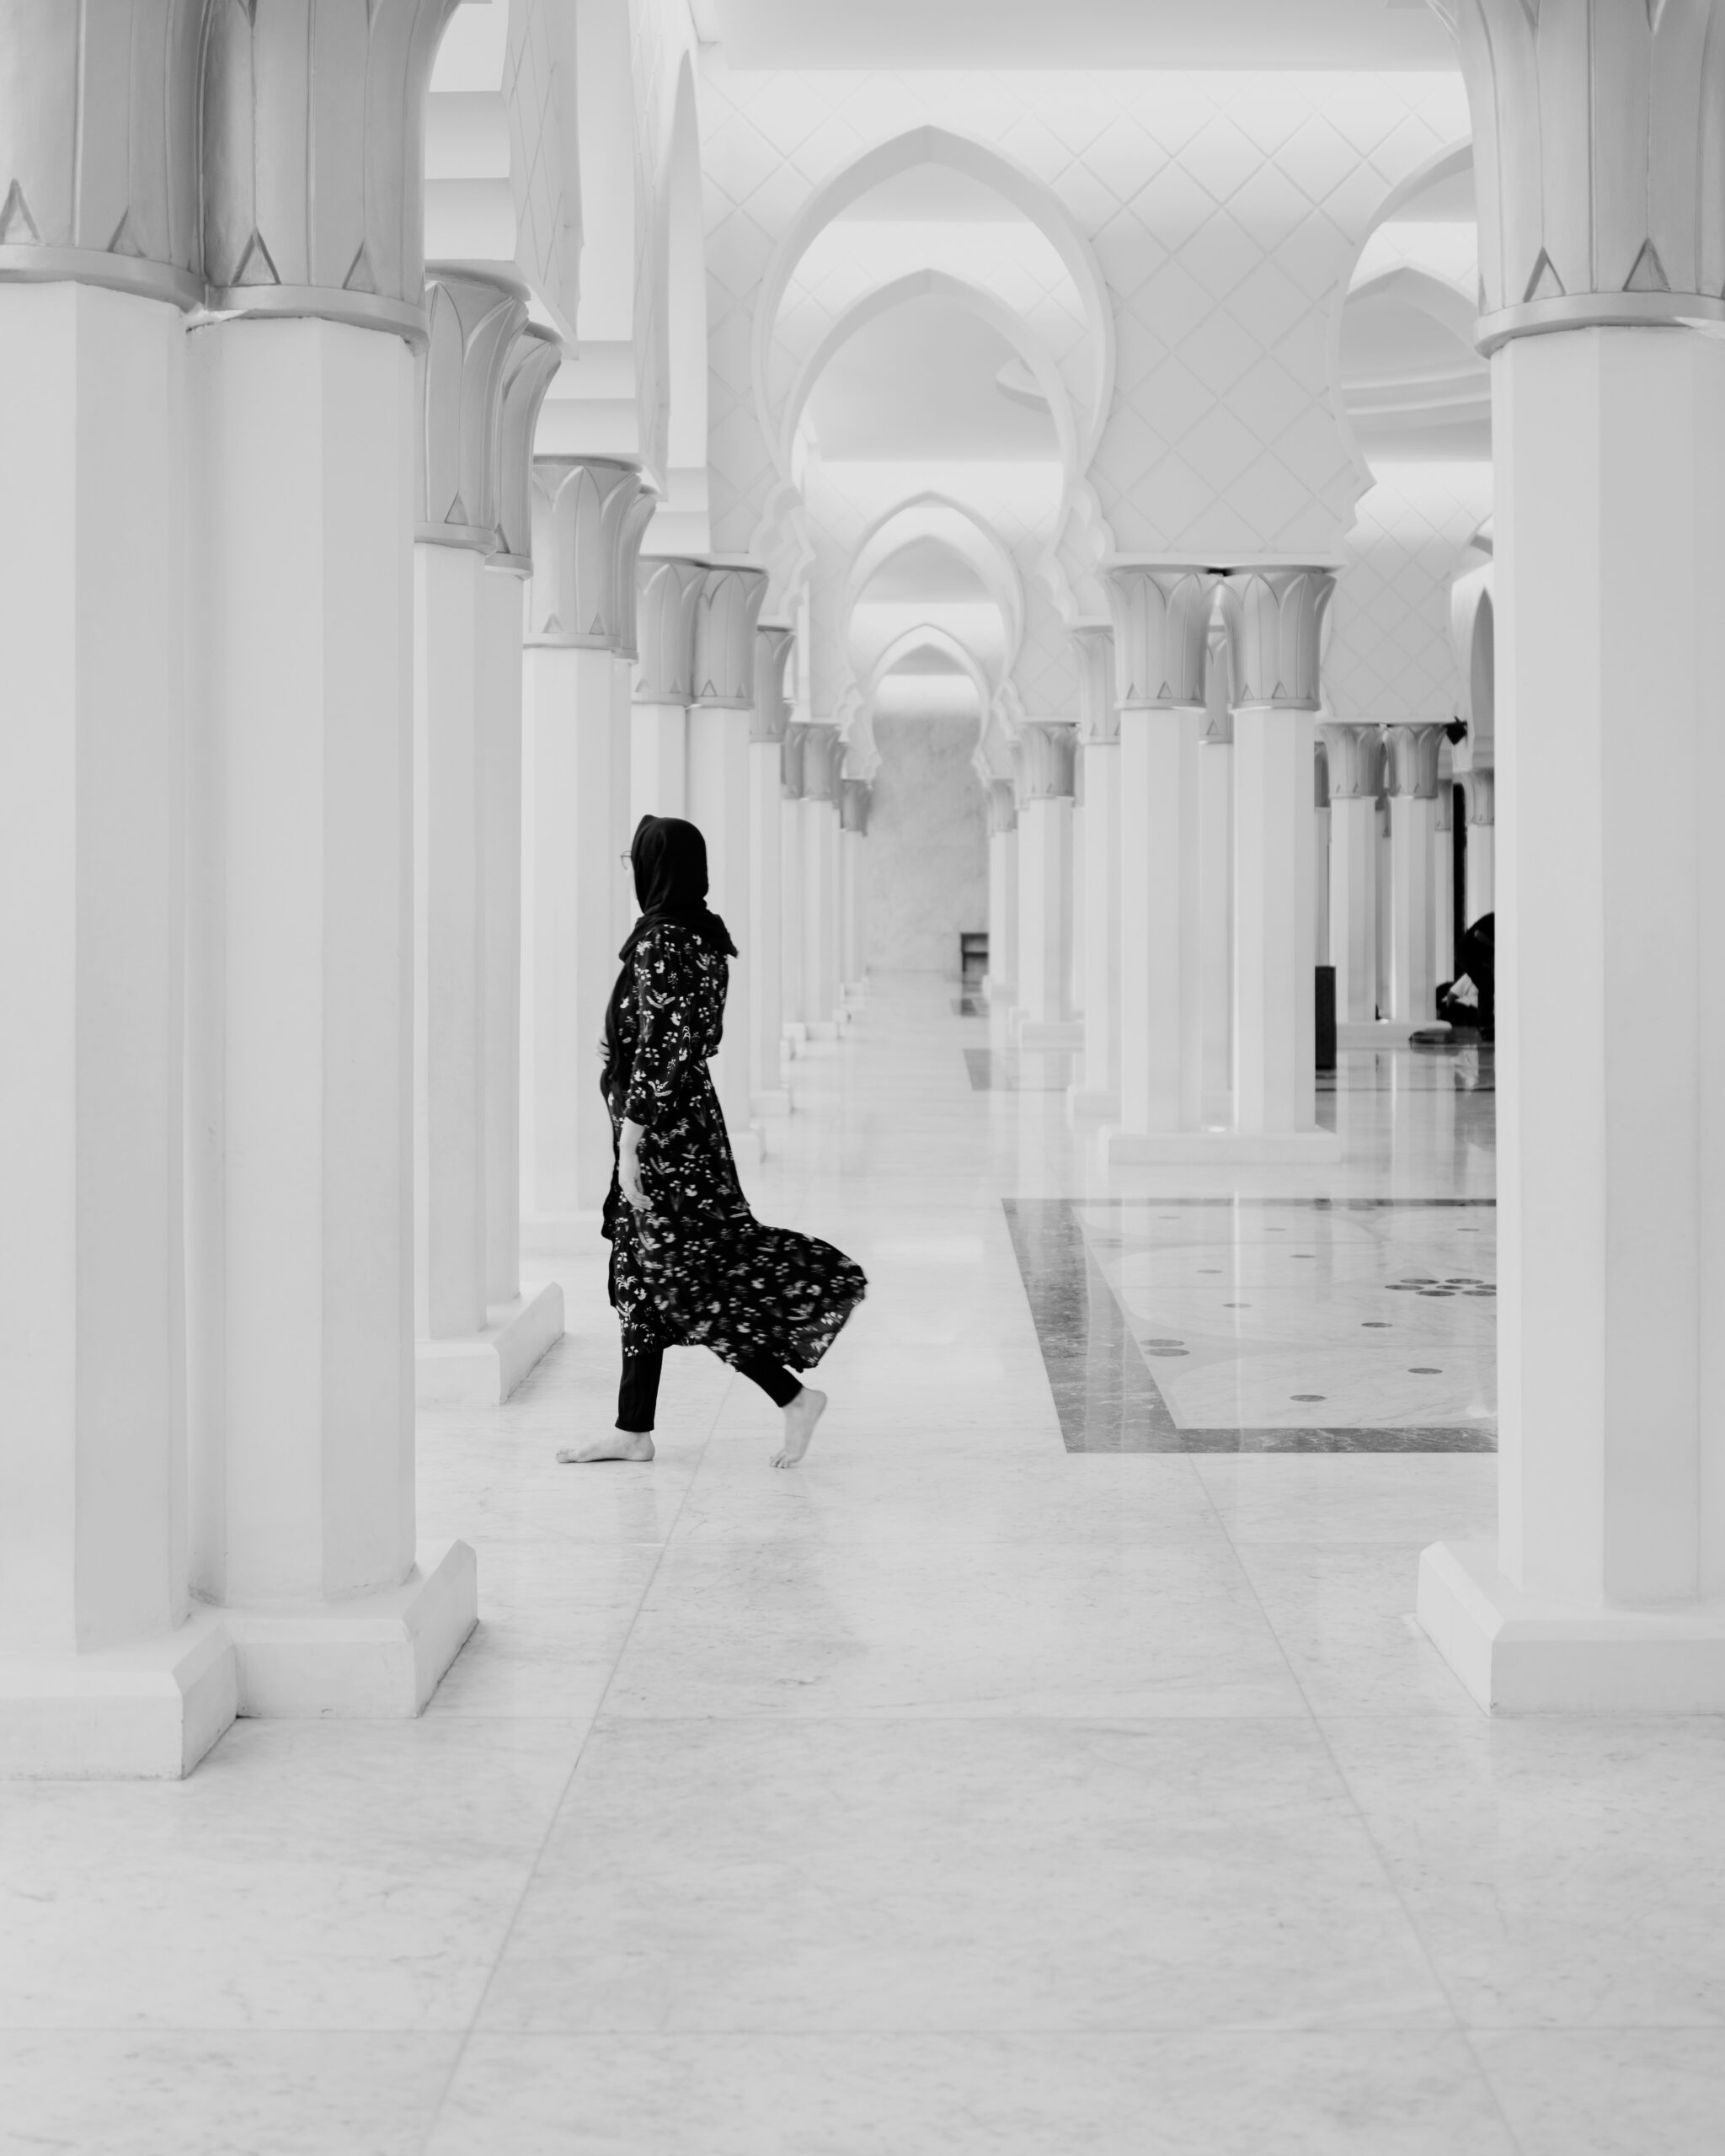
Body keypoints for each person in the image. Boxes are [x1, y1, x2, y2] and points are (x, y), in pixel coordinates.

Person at [558, 814, 867, 1470]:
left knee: (684, 1281)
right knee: (643, 1279)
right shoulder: (699, 935)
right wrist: (620, 1041)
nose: (631, 870)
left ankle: (793, 1398)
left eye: (633, 859)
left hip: (665, 1138)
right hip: (686, 1122)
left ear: (656, 866)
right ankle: (632, 1429)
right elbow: (678, 1035)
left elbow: (667, 1048)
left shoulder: (661, 941)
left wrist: (631, 1142)